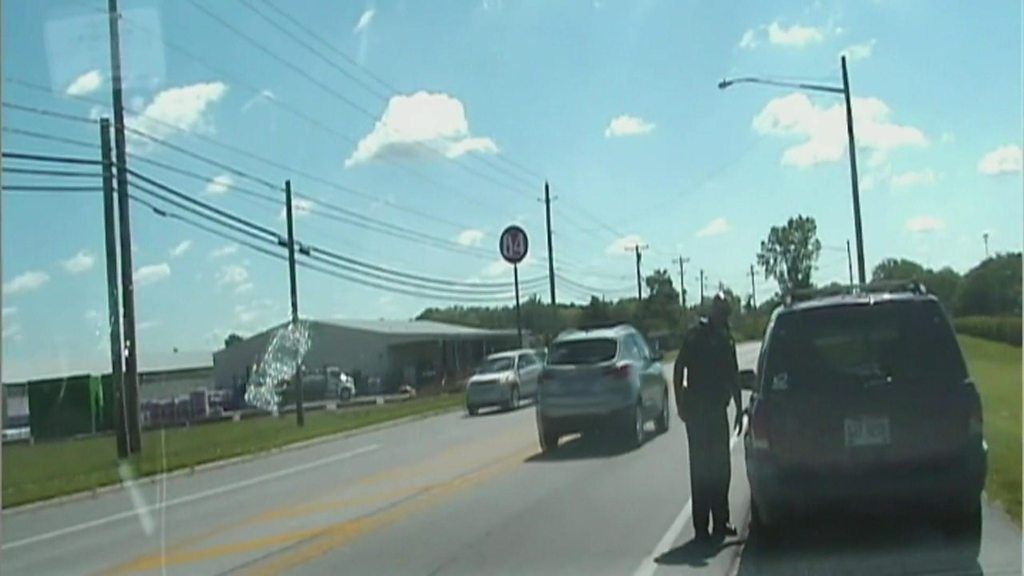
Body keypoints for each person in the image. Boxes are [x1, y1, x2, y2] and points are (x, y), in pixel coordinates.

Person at [674, 292, 743, 543]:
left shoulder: (726, 339)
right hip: (698, 412)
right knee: (702, 469)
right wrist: (680, 403)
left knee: (721, 467)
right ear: (714, 312)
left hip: (716, 410)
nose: (723, 317)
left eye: (725, 313)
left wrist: (739, 408)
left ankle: (721, 521)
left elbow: (733, 376)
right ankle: (701, 526)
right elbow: (679, 368)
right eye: (721, 312)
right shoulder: (696, 336)